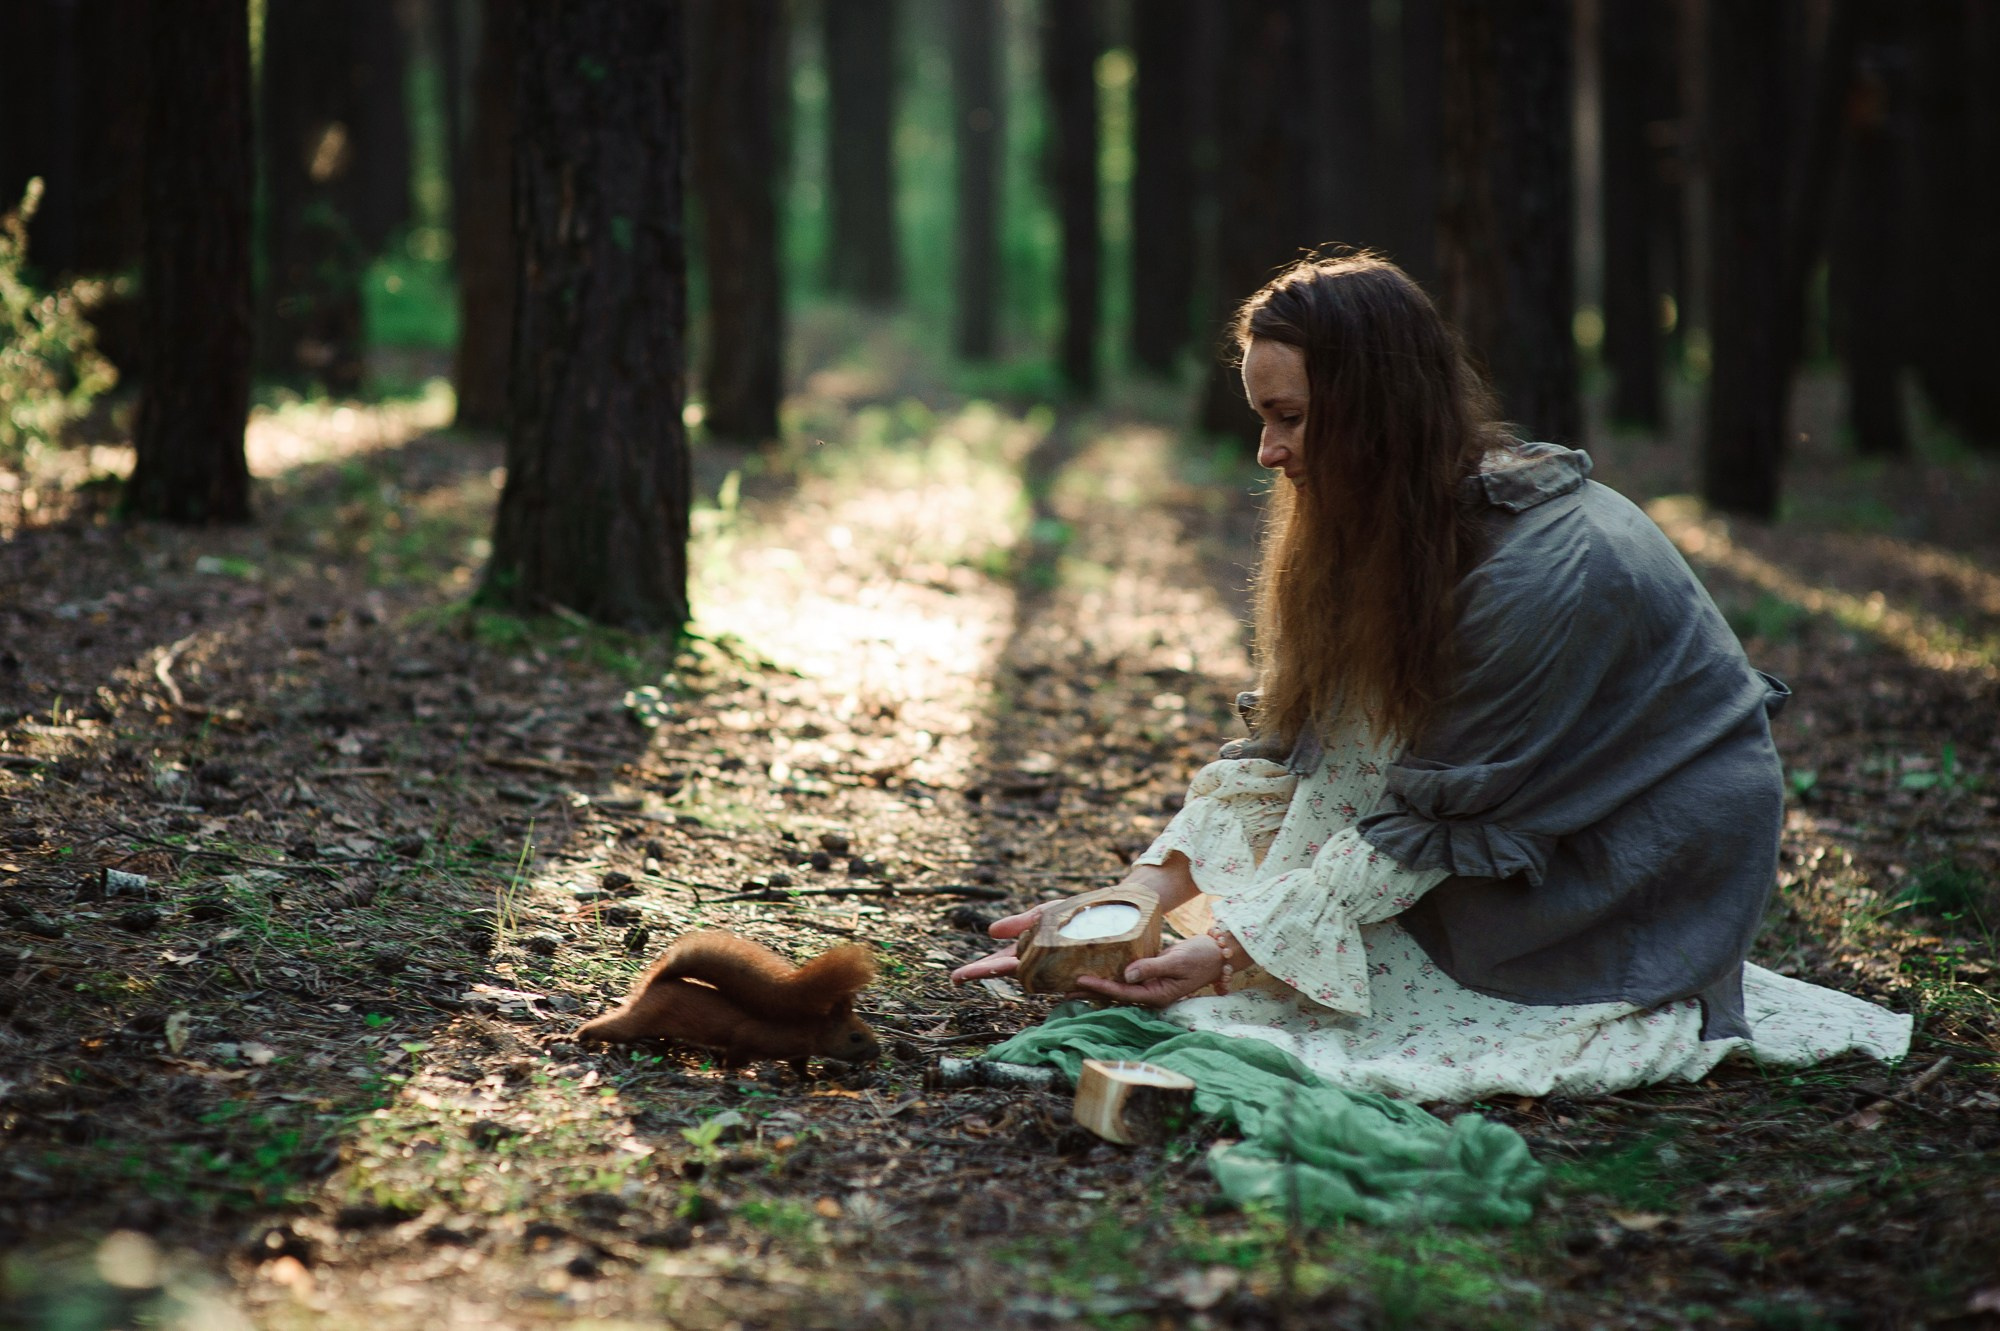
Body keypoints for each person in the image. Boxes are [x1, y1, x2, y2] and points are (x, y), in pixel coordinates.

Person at [952, 255, 1908, 1101]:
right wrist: (1132, 902)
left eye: (1289, 419)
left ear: (1375, 412)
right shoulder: (1399, 525)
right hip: (1492, 812)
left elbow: (1437, 821)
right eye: (1261, 418)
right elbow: (1303, 746)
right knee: (1275, 936)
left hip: (1635, 852)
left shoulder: (1542, 569)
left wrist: (1232, 953)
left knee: (1289, 1003)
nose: (1267, 453)